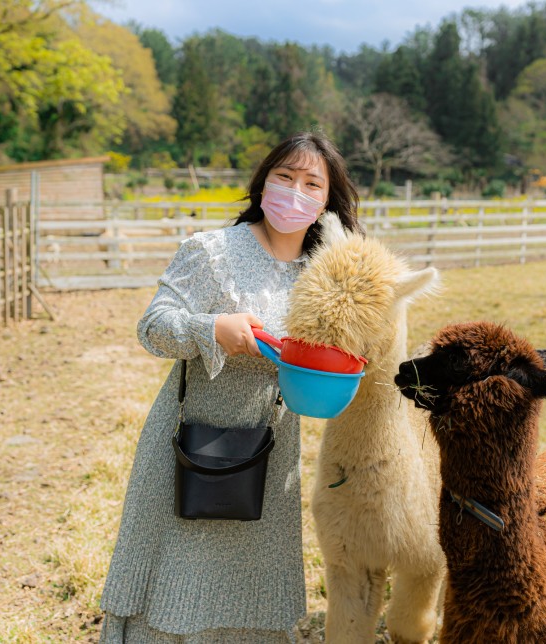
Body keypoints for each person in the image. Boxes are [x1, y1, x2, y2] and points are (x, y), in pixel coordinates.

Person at [99, 130, 362, 643]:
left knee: (252, 583)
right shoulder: (212, 251)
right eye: (284, 176)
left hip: (269, 450)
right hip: (191, 443)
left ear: (327, 201)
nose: (295, 191)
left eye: (312, 183)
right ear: (263, 181)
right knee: (180, 571)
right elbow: (152, 328)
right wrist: (212, 328)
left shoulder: (328, 275)